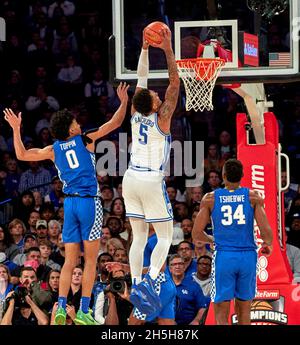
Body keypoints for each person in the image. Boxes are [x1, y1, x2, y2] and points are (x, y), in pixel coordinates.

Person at [3, 82, 129, 326]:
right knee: (90, 260)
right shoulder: (85, 140)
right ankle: (83, 311)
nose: (78, 123)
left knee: (70, 261)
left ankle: (60, 307)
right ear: (69, 129)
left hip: (69, 206)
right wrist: (123, 102)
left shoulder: (53, 148)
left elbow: (22, 155)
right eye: (75, 122)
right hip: (89, 204)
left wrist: (16, 130)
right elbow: (114, 123)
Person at [122, 26, 180, 313]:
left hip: (130, 178)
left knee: (140, 235)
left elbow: (141, 77)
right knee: (166, 236)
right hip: (149, 179)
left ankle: (135, 282)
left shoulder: (135, 111)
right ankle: (151, 281)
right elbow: (174, 82)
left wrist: (145, 49)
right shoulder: (163, 118)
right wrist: (167, 48)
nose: (158, 95)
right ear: (156, 105)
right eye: (157, 97)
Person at [192, 159, 273, 325]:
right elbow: (267, 235)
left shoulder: (210, 199)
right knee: (244, 310)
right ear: (242, 176)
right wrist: (266, 245)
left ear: (223, 175)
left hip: (224, 257)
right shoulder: (253, 197)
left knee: (222, 310)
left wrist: (211, 239)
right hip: (248, 258)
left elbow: (197, 234)